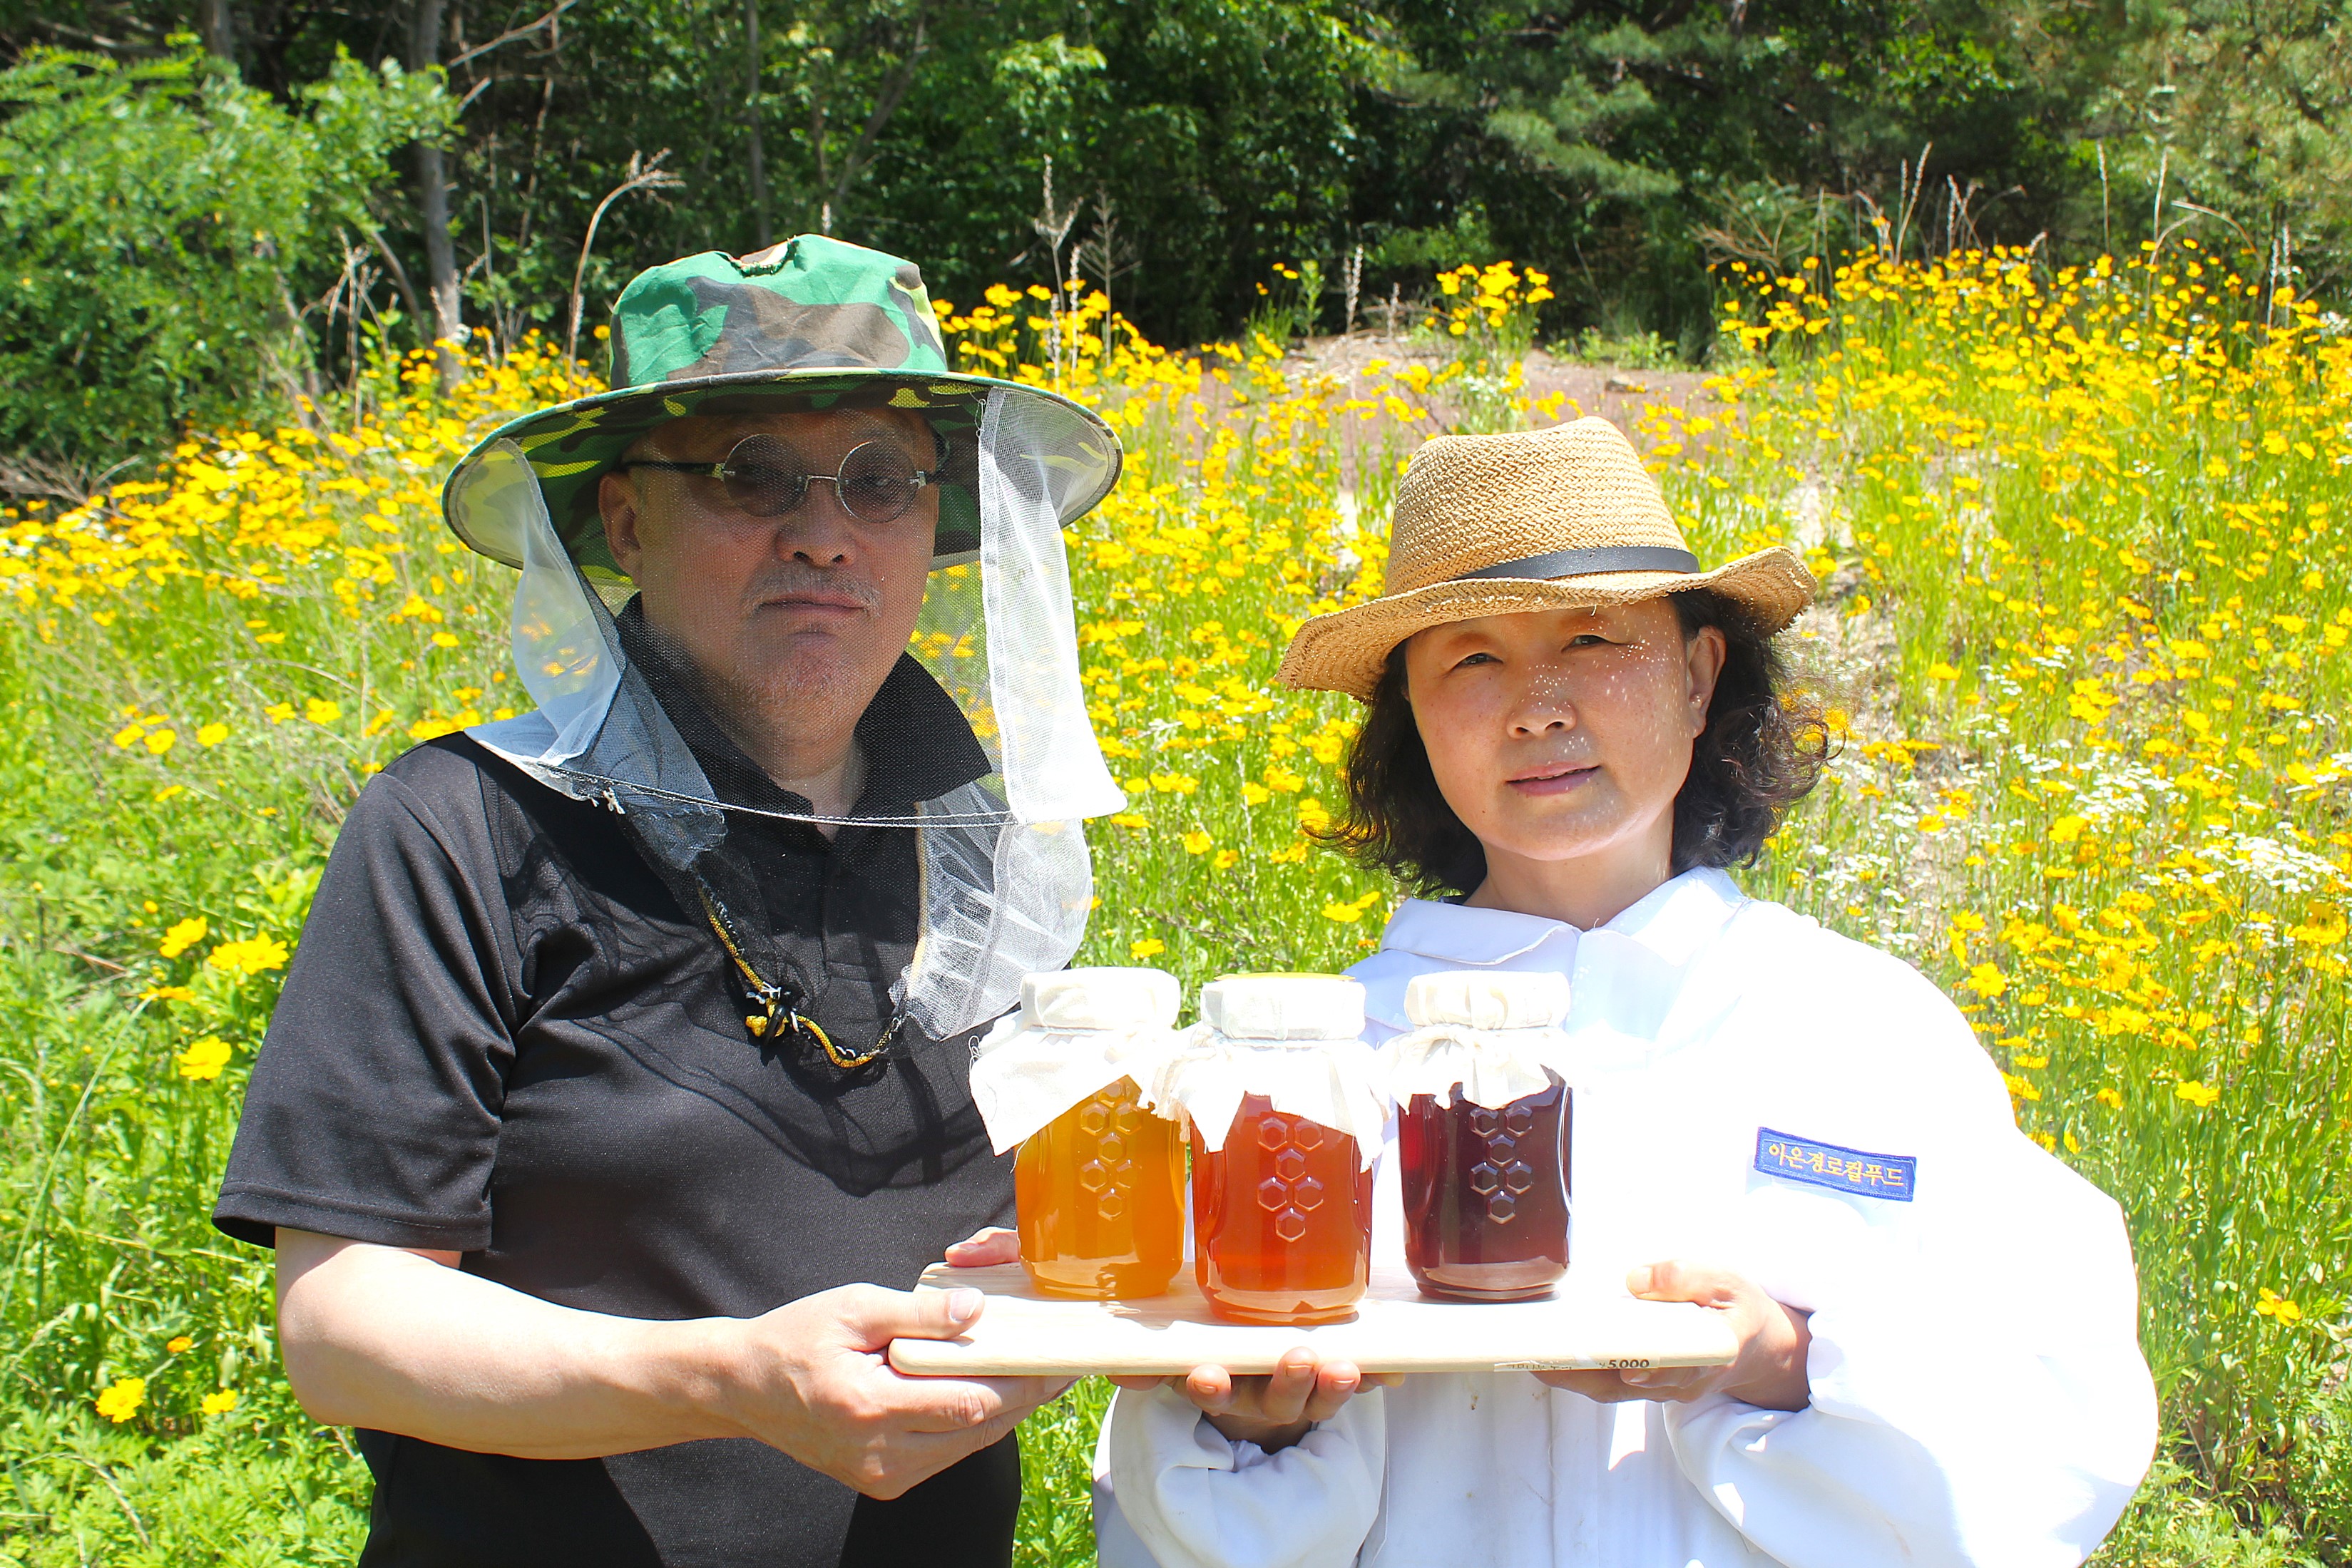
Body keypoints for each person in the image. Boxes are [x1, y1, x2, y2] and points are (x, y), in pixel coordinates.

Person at [1084, 416, 2158, 1567]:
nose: (1536, 705)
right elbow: (1182, 1509)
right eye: (1472, 658)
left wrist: (1780, 1362)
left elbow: (2050, 1411)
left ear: (1699, 677)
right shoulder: (1289, 1071)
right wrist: (1245, 1429)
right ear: (1411, 716)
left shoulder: (1864, 1029)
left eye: (1593, 639)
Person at [211, 234, 1129, 1567]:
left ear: (936, 529)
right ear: (629, 519)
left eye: (881, 482)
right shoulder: (463, 826)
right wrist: (724, 1381)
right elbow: (345, 1328)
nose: (823, 532)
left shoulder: (988, 850)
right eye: (749, 473)